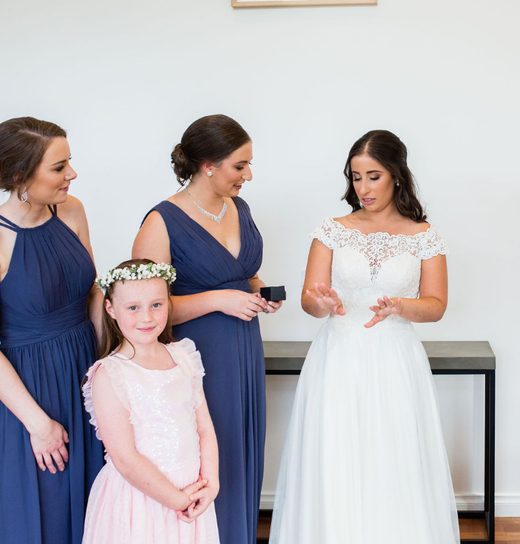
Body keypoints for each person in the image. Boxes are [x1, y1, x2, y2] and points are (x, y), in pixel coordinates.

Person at [269, 130, 459, 544]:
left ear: (396, 175)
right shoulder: (331, 230)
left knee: (393, 458)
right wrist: (324, 303)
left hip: (395, 357)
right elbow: (309, 298)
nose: (363, 188)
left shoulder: (424, 234)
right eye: (356, 177)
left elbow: (437, 305)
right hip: (338, 356)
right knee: (337, 455)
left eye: (373, 176)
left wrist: (401, 307)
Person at [132, 115, 281, 544]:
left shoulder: (240, 208)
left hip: (245, 350)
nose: (248, 175)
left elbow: (241, 275)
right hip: (197, 358)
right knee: (207, 454)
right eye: (240, 165)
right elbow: (143, 313)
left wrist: (258, 291)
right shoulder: (162, 221)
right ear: (207, 164)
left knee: (241, 452)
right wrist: (218, 300)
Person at [0, 117, 104, 544]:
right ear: (21, 176)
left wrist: (113, 368)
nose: (72, 175)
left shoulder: (72, 209)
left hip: (86, 374)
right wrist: (37, 424)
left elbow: (92, 293)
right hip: (29, 391)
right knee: (46, 509)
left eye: (69, 163)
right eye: (58, 167)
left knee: (98, 502)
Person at [80, 259, 219, 543]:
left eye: (156, 305)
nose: (147, 317)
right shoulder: (110, 374)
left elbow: (204, 428)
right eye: (133, 308)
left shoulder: (183, 358)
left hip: (192, 492)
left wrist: (211, 485)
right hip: (140, 499)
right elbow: (125, 458)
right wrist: (176, 499)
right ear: (111, 309)